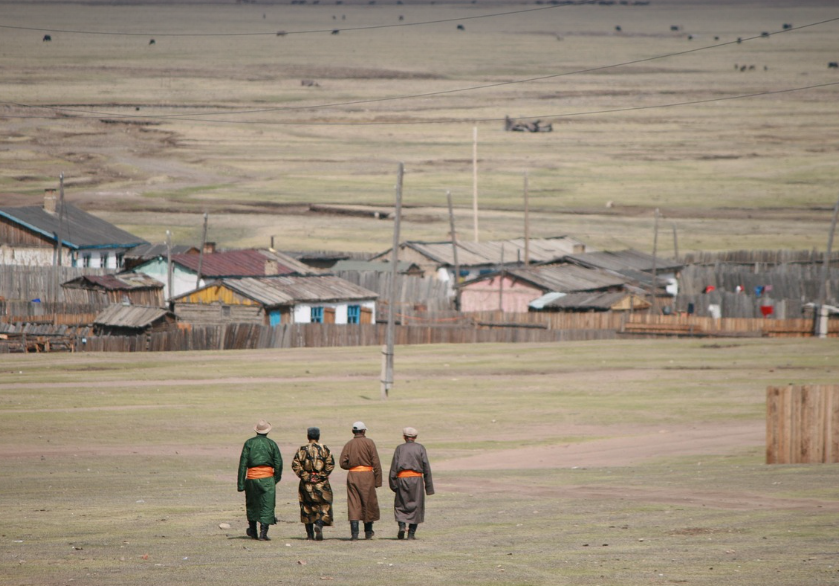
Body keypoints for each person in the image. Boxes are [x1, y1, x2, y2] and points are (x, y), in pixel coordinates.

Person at [237, 419, 283, 541]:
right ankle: (263, 533)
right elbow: (278, 463)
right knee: (267, 504)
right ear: (267, 431)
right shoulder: (271, 444)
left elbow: (243, 464)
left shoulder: (249, 443)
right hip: (267, 478)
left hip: (251, 478)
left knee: (252, 504)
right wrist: (275, 478)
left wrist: (241, 484)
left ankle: (253, 531)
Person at [388, 426, 434, 540]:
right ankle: (411, 534)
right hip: (416, 480)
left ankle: (402, 526)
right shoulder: (420, 448)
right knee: (416, 506)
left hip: (401, 479)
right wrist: (428, 487)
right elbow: (426, 467)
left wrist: (393, 484)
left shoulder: (399, 448)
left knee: (400, 504)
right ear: (415, 437)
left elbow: (394, 467)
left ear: (404, 437)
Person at [339, 421, 382, 540]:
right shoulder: (369, 442)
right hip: (367, 475)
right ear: (363, 431)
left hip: (352, 475)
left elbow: (342, 463)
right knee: (368, 502)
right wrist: (378, 480)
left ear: (353, 431)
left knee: (353, 503)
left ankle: (354, 534)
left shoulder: (349, 444)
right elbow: (376, 462)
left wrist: (352, 466)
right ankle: (368, 532)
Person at [291, 427, 335, 541]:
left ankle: (310, 535)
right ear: (318, 436)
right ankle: (319, 524)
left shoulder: (302, 449)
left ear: (308, 436)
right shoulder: (324, 449)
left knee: (306, 507)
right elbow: (330, 464)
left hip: (306, 484)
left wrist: (307, 477)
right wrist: (320, 476)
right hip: (321, 483)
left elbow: (295, 465)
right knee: (324, 505)